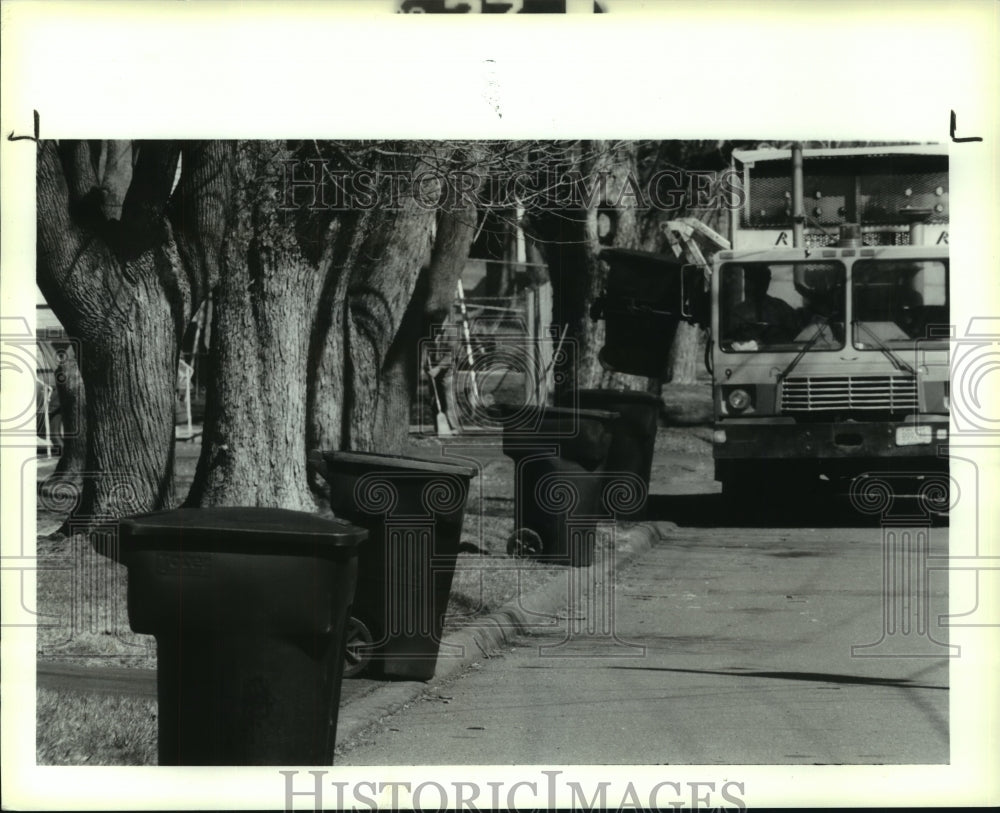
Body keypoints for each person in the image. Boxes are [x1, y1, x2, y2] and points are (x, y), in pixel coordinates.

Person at [726, 266, 800, 347]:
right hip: (746, 356)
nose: (759, 286)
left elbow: (795, 332)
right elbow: (730, 337)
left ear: (768, 282)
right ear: (748, 283)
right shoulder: (738, 312)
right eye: (755, 282)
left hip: (777, 354)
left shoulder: (780, 307)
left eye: (764, 281)